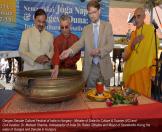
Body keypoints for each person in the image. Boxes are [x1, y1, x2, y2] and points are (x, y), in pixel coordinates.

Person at [59, 1, 114, 87]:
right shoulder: (86, 29)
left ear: (99, 11)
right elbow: (80, 43)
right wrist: (69, 51)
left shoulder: (107, 26)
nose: (92, 15)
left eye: (94, 12)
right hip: (90, 68)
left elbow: (110, 45)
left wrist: (99, 50)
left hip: (104, 67)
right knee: (89, 95)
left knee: (105, 95)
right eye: (90, 13)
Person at [123, 7, 159, 97]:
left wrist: (153, 72)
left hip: (143, 73)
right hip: (131, 74)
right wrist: (132, 44)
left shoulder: (150, 31)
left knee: (142, 102)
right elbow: (125, 57)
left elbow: (154, 54)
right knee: (130, 102)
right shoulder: (133, 34)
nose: (137, 19)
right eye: (135, 17)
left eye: (139, 16)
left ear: (144, 17)